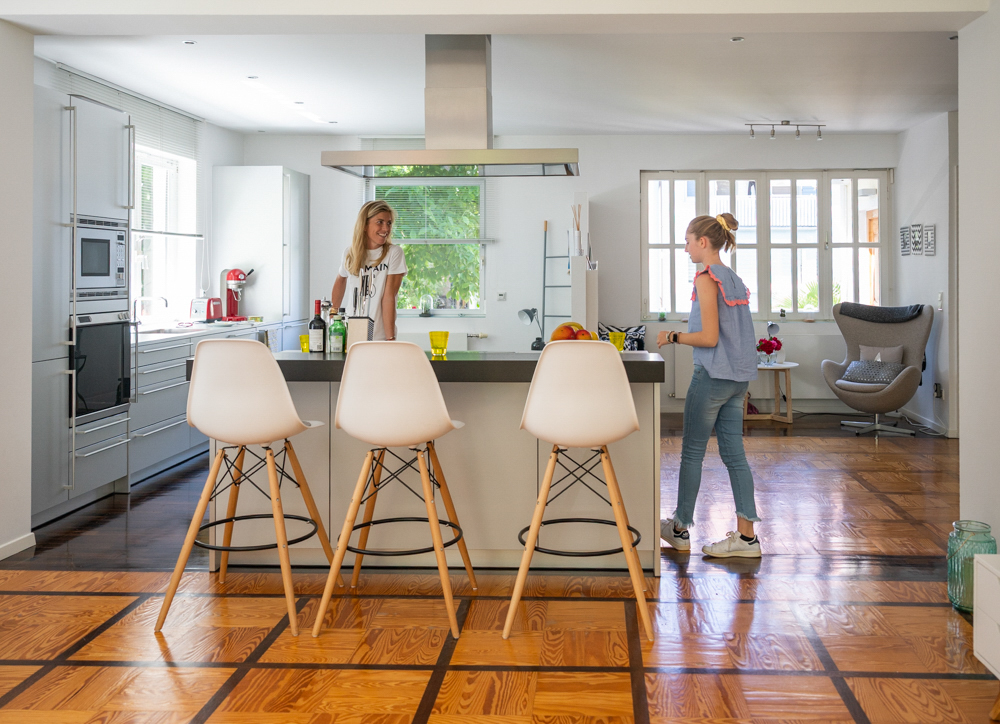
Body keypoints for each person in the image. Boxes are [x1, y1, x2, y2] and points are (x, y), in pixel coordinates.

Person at [657, 213, 761, 558]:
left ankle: (679, 529)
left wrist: (672, 336)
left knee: (692, 453)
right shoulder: (734, 279)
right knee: (735, 456)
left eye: (688, 242)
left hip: (712, 377)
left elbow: (709, 337)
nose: (686, 249)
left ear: (703, 242)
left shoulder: (706, 278)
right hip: (737, 380)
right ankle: (747, 538)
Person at [331, 200, 407, 341]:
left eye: (389, 223)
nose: (386, 228)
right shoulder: (350, 253)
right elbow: (340, 280)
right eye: (380, 222)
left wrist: (390, 339)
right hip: (352, 333)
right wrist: (332, 316)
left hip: (380, 336)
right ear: (365, 225)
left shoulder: (394, 253)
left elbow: (388, 298)